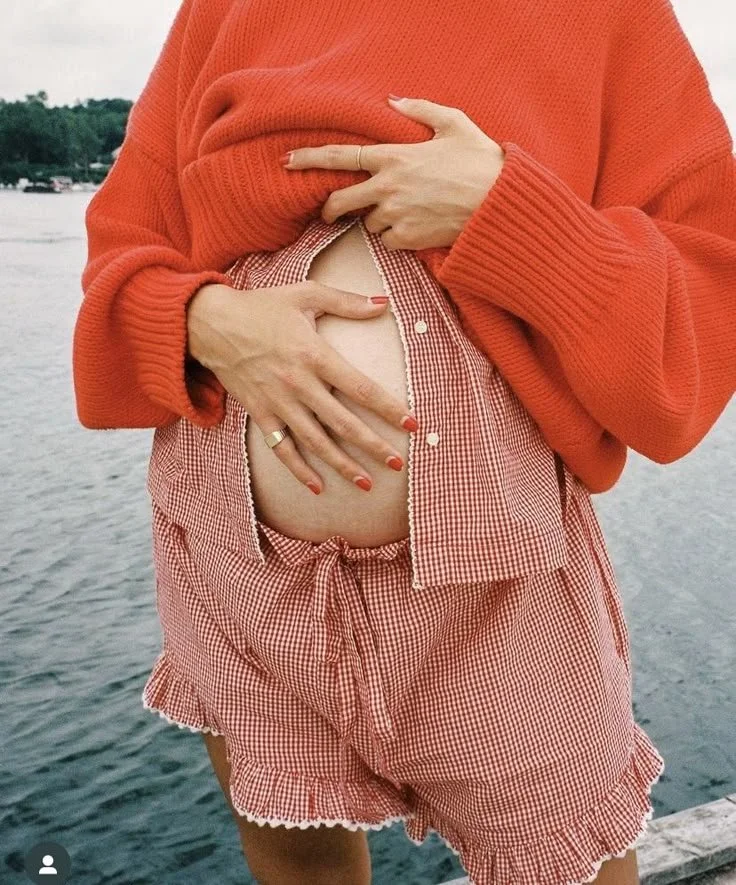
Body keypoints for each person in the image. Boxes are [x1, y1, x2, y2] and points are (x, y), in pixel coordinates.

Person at [72, 0, 736, 882]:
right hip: (234, 556)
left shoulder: (609, 14)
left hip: (498, 580)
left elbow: (708, 284)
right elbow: (126, 243)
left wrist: (509, 212)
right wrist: (209, 318)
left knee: (567, 864)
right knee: (291, 850)